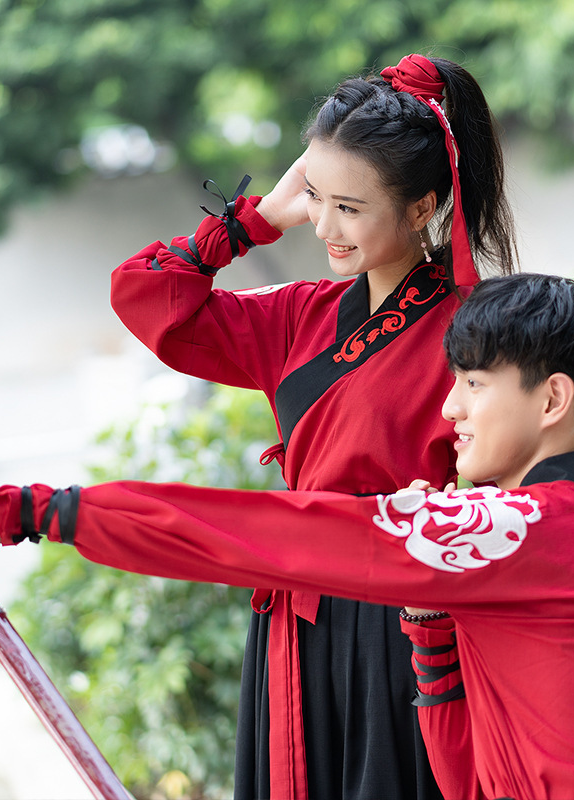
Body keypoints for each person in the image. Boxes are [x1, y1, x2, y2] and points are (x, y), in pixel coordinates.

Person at [0, 273, 574, 800]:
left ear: (552, 399)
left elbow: (274, 537)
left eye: (474, 384)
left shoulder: (519, 529)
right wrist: (428, 619)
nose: (449, 409)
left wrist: (29, 511)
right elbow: (466, 770)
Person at [107, 52, 517, 799]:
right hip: (296, 624)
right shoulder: (298, 316)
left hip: (411, 633)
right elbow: (145, 296)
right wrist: (255, 219)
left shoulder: (481, 333)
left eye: (350, 208)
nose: (323, 225)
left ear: (424, 207)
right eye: (316, 195)